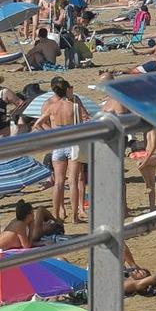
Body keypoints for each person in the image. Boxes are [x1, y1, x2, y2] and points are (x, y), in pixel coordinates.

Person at [37, 76, 89, 223]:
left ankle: (55, 215)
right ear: (66, 90)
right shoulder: (73, 105)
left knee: (58, 182)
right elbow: (85, 121)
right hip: (72, 143)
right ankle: (74, 217)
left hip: (58, 144)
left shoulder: (51, 106)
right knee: (73, 182)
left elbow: (37, 124)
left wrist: (51, 134)